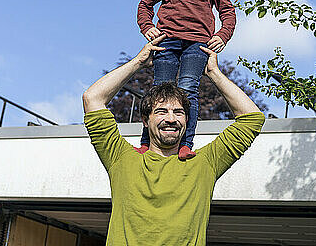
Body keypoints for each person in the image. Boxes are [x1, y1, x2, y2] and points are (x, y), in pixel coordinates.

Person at [82, 36, 264, 246]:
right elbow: (92, 98)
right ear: (145, 120)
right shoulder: (120, 158)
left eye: (178, 112)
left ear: (187, 120)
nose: (171, 119)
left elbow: (252, 118)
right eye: (161, 112)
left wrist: (214, 73)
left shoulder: (205, 164)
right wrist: (138, 62)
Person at [137, 0, 237, 159]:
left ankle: (185, 144)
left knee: (188, 88)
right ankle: (146, 142)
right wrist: (147, 27)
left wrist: (222, 36)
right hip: (166, 40)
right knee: (159, 92)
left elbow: (228, 11)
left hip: (197, 43)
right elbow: (145, 5)